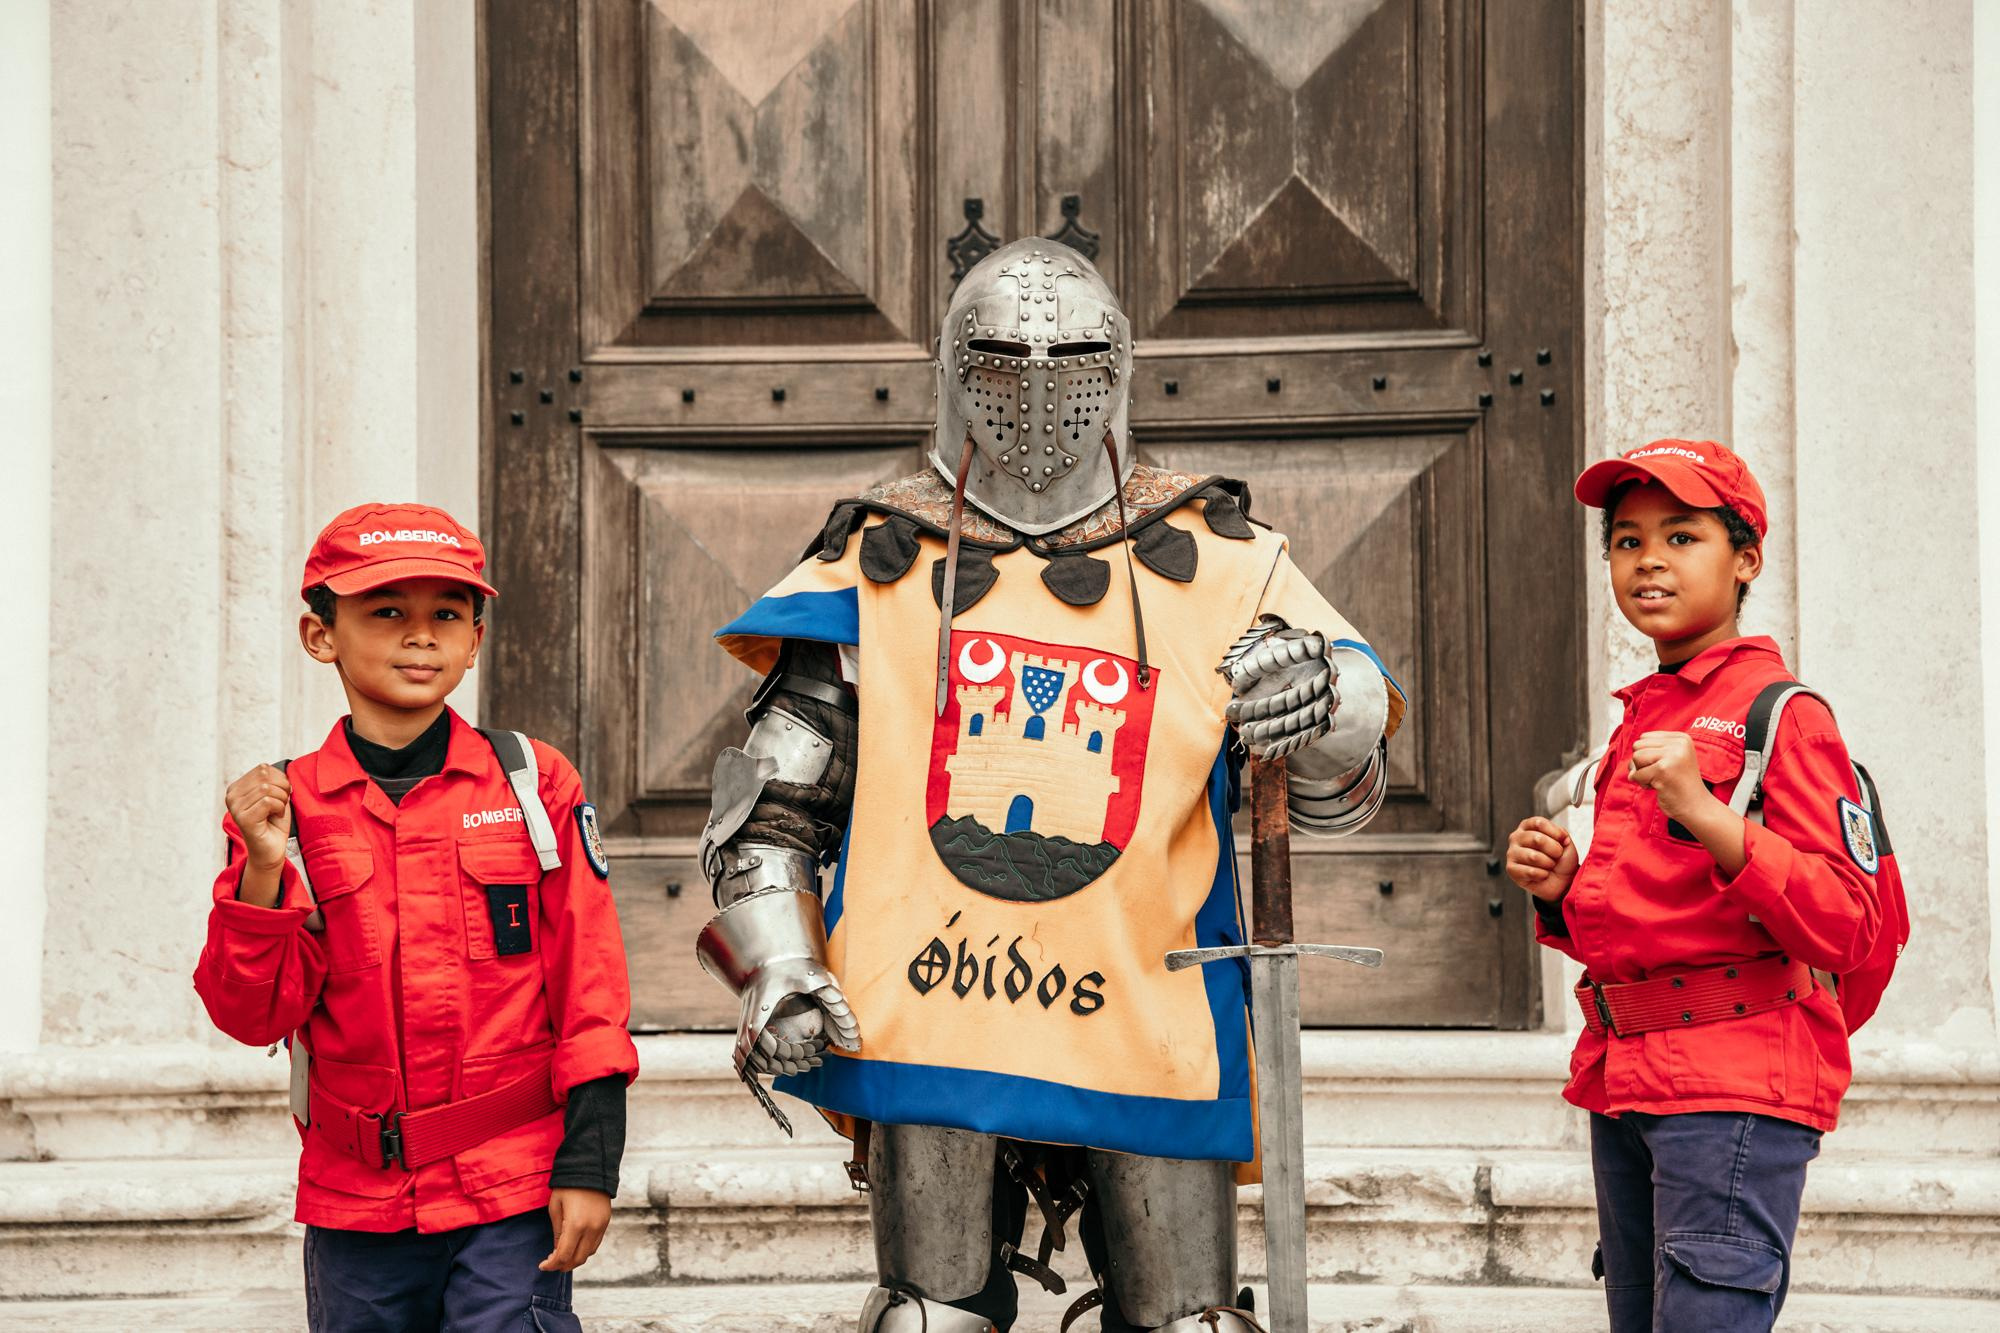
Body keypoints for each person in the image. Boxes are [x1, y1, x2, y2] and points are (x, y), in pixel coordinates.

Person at [692, 238, 1408, 1332]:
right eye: (999, 360)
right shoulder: (878, 558)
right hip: (929, 1008)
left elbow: (1337, 770)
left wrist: (1315, 694)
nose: (1035, 389)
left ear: (1115, 367)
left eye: (1068, 358)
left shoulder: (1215, 556)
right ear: (951, 369)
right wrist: (777, 966)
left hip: (1144, 995)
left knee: (1188, 1324)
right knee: (927, 1319)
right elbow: (776, 801)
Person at [192, 503, 639, 1333]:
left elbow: (592, 985)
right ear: (320, 635)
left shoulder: (533, 786)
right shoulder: (286, 811)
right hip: (356, 1203)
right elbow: (252, 1013)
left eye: (447, 614)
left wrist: (591, 1162)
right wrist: (260, 865)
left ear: (474, 640)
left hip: (510, 1189)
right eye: (386, 611)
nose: (420, 636)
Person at [1505, 441, 1882, 1332]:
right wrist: (1561, 890)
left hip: (1734, 1082)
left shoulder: (1782, 713)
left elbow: (1849, 925)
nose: (1650, 562)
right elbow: (1656, 918)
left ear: (1745, 558)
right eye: (1628, 542)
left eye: (1682, 536)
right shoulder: (1649, 708)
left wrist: (1713, 818)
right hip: (1629, 1079)